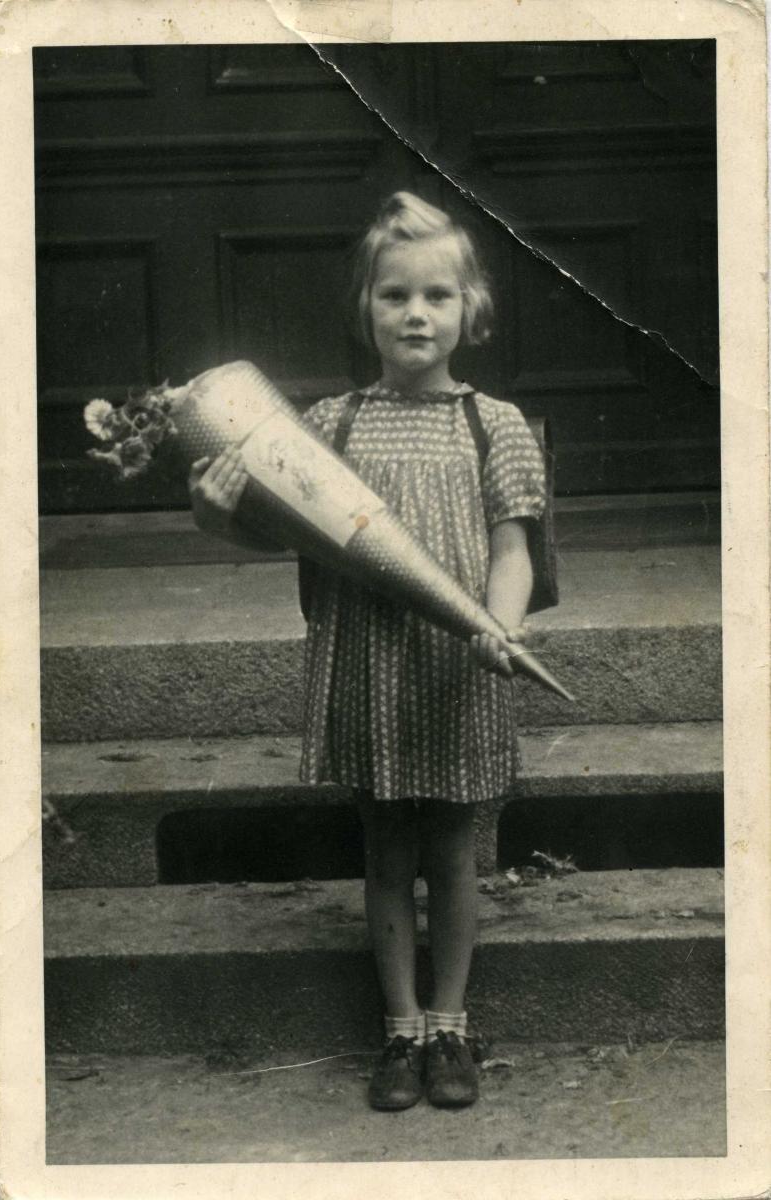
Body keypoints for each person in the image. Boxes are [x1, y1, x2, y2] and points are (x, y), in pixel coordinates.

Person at [188, 192, 546, 1111]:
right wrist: (217, 509)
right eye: (394, 296)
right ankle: (399, 1028)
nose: (416, 314)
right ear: (365, 310)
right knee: (386, 848)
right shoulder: (330, 425)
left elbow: (513, 548)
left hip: (460, 670)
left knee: (456, 848)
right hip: (367, 664)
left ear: (474, 309)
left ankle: (452, 1023)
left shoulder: (493, 424)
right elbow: (278, 533)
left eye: (436, 295)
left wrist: (497, 627)